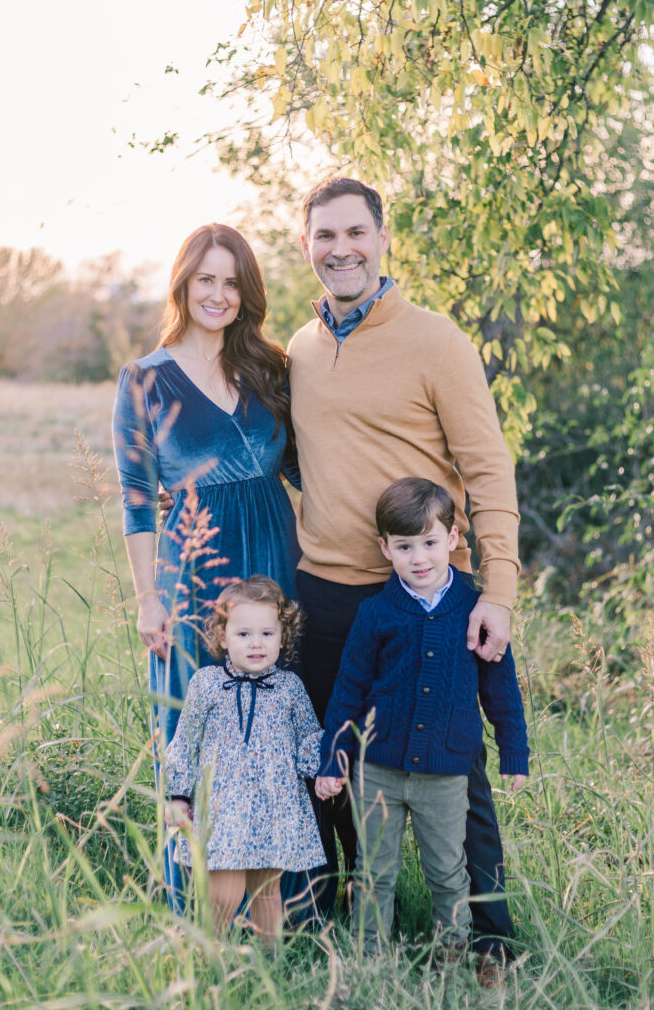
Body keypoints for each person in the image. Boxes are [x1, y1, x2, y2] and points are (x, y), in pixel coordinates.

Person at [288, 177, 522, 963]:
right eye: (325, 235)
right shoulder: (299, 347)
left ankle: (488, 935)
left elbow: (487, 468)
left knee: (457, 766)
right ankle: (346, 918)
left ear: (382, 239)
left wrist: (498, 591)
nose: (340, 248)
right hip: (324, 595)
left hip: (426, 594)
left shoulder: (435, 341)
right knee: (332, 764)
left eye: (355, 232)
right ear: (306, 246)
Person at [112, 224, 300, 906]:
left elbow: (311, 470)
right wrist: (145, 598)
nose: (218, 294)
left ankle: (286, 903)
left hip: (276, 554)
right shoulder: (144, 381)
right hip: (192, 566)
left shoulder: (270, 369)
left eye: (231, 282)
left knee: (274, 718)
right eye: (206, 280)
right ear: (183, 284)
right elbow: (137, 504)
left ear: (245, 293)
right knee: (196, 725)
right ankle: (194, 900)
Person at [315, 479, 529, 973]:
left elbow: (502, 692)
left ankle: (450, 954)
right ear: (385, 548)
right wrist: (334, 758)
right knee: (375, 872)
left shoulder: (474, 611)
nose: (419, 558)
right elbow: (348, 691)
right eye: (405, 546)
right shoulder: (375, 614)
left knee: (448, 872)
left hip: (446, 775)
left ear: (454, 538)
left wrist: (513, 752)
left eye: (430, 543)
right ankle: (371, 957)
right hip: (379, 773)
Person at [164, 576, 325, 944]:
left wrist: (328, 763)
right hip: (223, 809)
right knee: (223, 892)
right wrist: (177, 795)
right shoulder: (206, 683)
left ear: (282, 637)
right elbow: (185, 742)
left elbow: (309, 740)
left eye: (267, 634)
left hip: (274, 808)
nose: (256, 643)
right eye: (243, 634)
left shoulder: (289, 687)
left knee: (267, 893)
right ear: (222, 637)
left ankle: (270, 966)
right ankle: (207, 958)